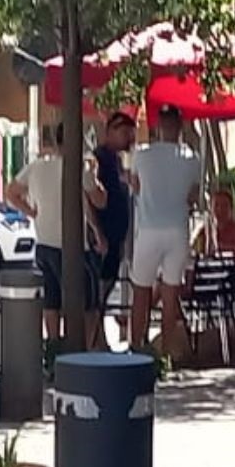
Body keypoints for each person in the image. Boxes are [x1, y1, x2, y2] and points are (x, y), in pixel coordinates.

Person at [6, 125, 106, 350]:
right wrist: (95, 174)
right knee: (88, 301)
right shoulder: (81, 168)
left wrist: (31, 211)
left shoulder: (36, 167)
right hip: (73, 246)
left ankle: (53, 348)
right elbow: (99, 201)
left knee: (51, 301)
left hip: (43, 243)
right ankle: (84, 347)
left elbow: (11, 192)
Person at [128, 106, 203, 358]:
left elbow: (135, 186)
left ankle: (137, 345)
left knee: (141, 291)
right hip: (177, 230)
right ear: (181, 128)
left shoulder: (142, 155)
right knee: (170, 294)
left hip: (149, 229)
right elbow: (193, 197)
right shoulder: (192, 159)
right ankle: (166, 352)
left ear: (158, 126)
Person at [90, 112, 137, 349]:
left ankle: (98, 338)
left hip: (117, 234)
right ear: (109, 131)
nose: (129, 137)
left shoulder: (118, 160)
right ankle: (95, 339)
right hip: (104, 235)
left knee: (106, 289)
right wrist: (98, 231)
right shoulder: (100, 159)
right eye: (124, 132)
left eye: (131, 132)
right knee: (99, 289)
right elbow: (91, 197)